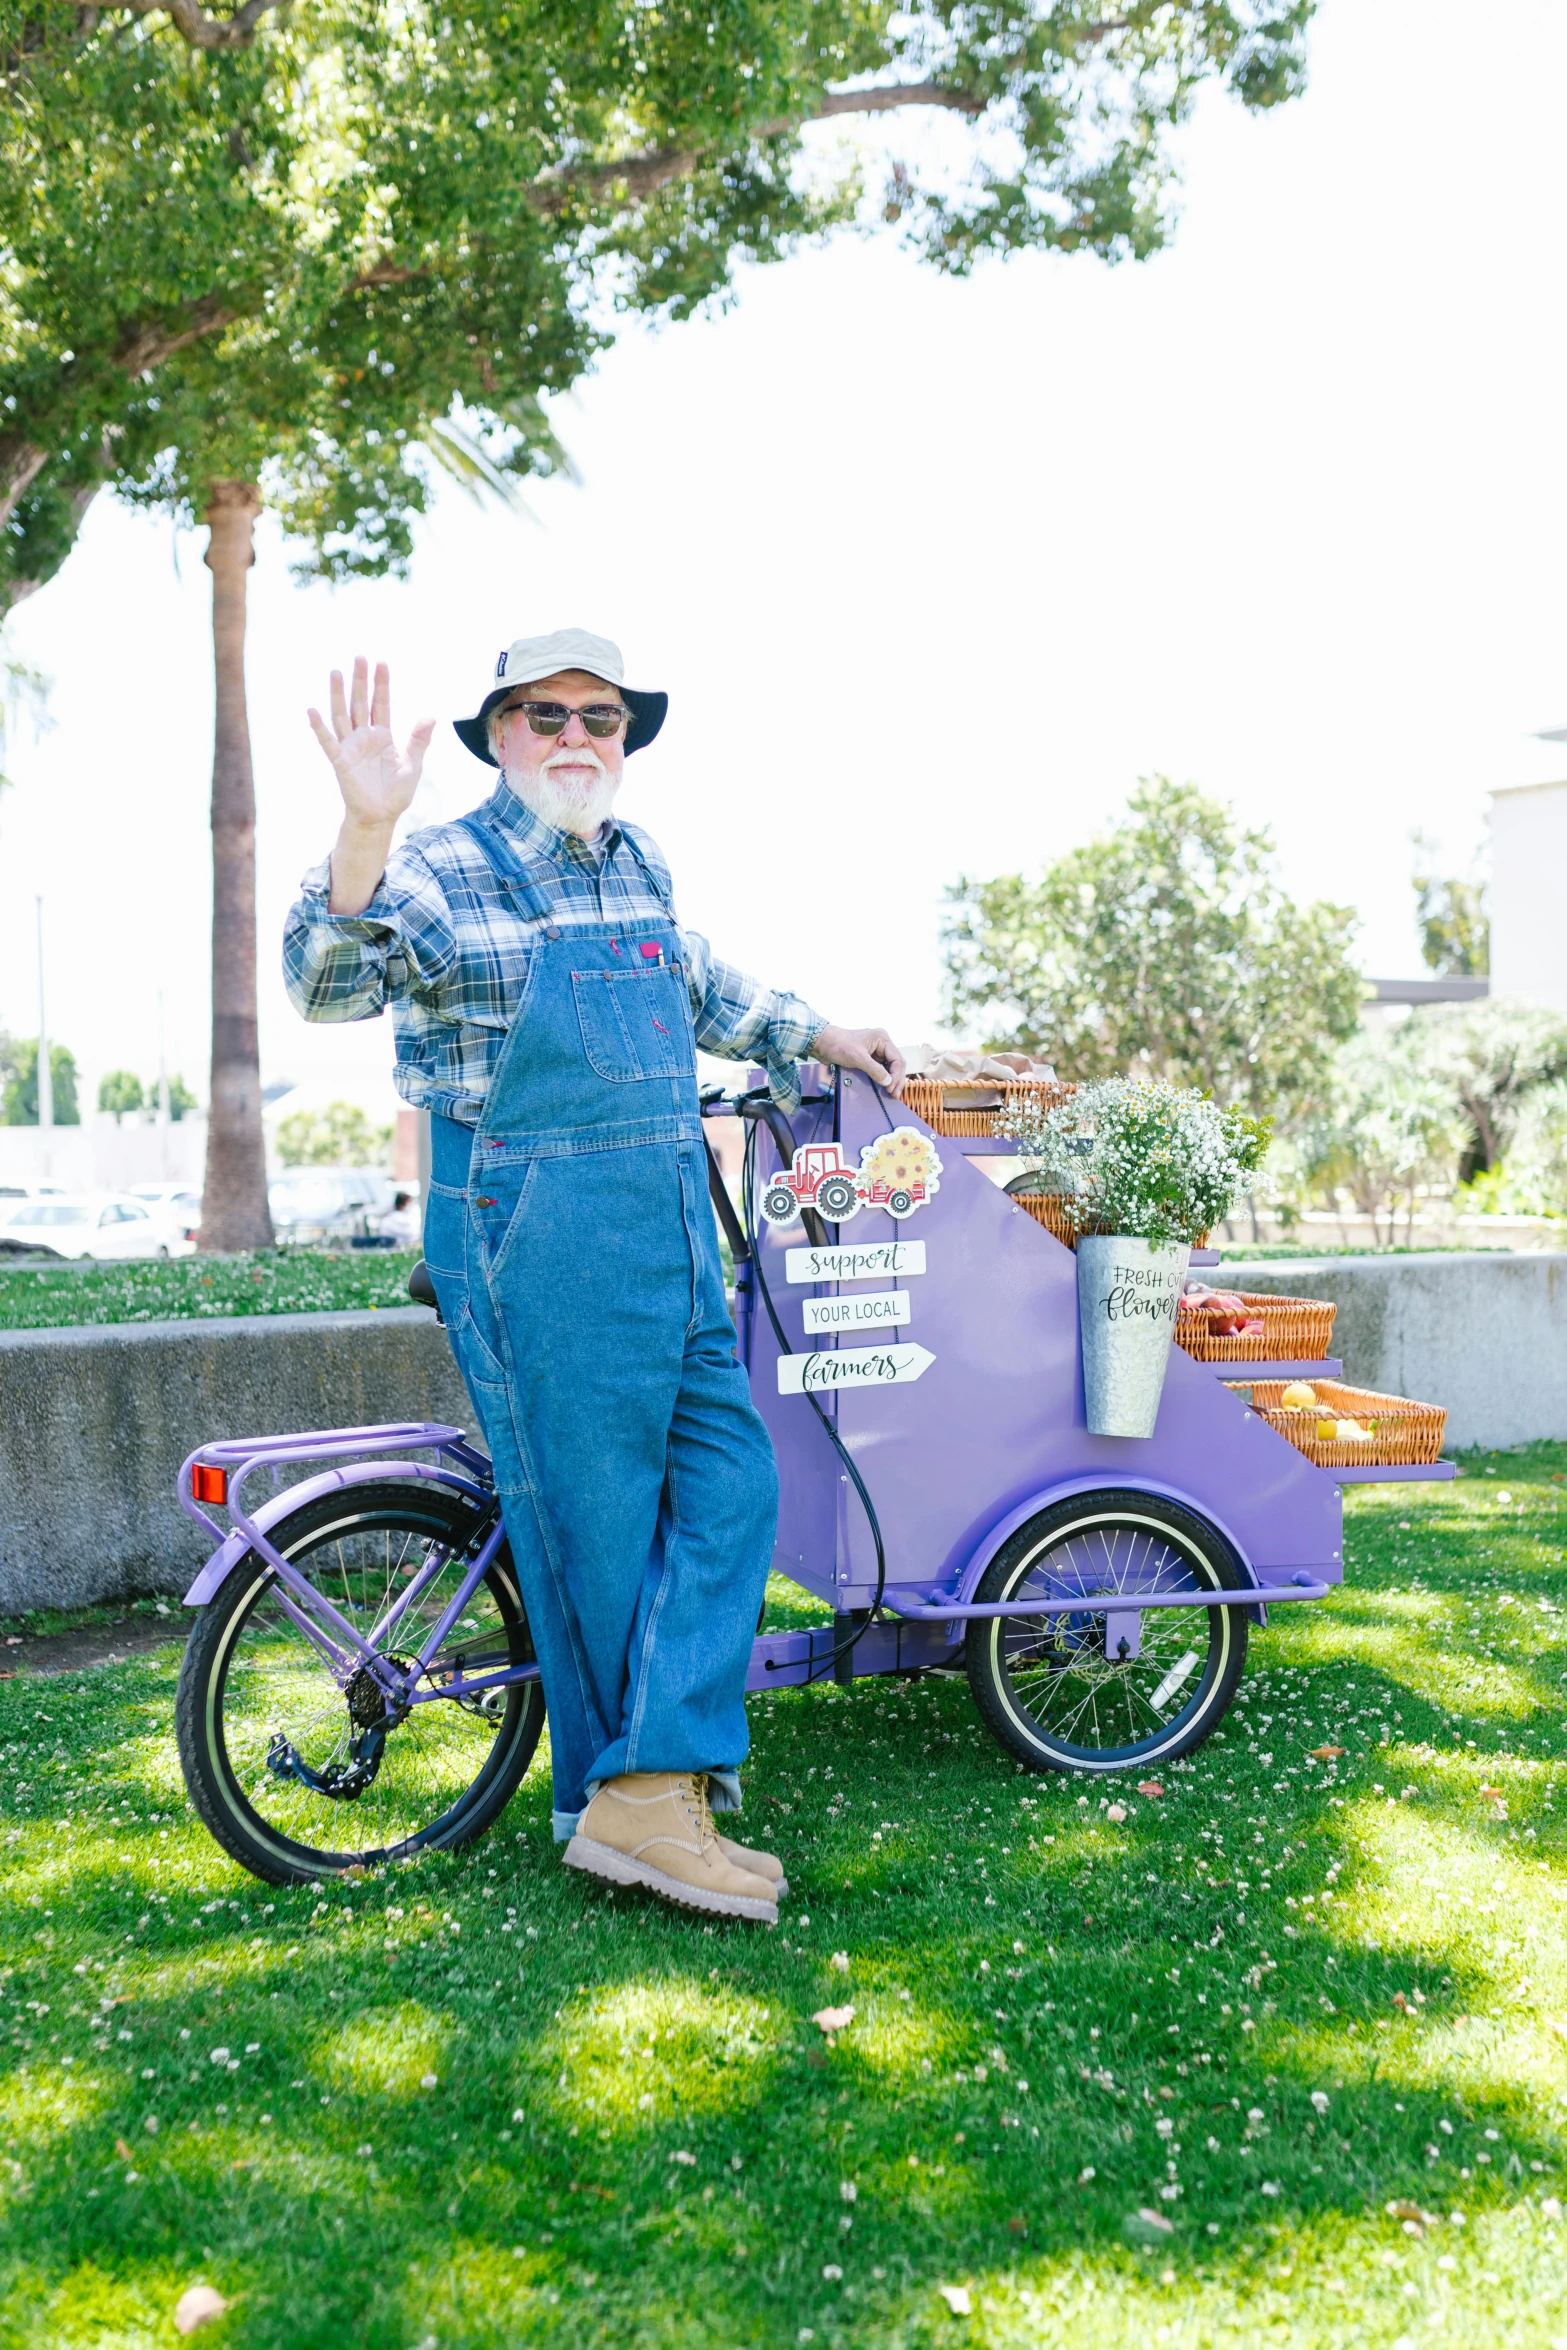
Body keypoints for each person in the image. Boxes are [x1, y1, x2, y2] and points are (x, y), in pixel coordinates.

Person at [283, 628, 905, 1924]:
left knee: (734, 1484)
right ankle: (634, 1804)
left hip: (665, 1229)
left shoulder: (638, 859)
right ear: (498, 733)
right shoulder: (443, 868)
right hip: (535, 1239)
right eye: (547, 713)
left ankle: (648, 1786)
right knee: (599, 1527)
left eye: (602, 717)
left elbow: (696, 983)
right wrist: (361, 832)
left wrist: (819, 1030)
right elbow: (326, 976)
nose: (578, 737)